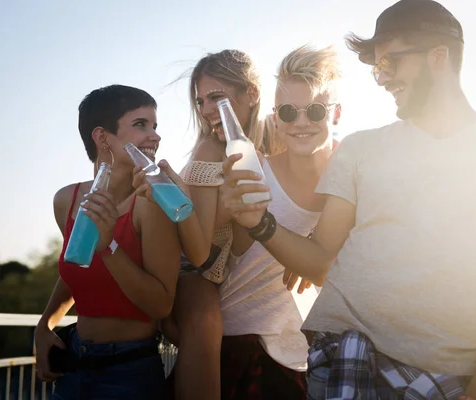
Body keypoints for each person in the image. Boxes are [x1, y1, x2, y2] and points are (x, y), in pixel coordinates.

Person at [220, 1, 476, 399]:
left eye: (389, 64)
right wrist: (260, 223)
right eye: (378, 68)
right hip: (343, 353)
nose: (381, 79)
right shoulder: (360, 149)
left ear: (438, 56)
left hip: (443, 371)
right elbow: (320, 260)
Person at [134, 49, 280, 400]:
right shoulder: (208, 153)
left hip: (234, 273)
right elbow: (199, 254)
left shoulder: (274, 137)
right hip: (193, 268)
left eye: (216, 97)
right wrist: (223, 205)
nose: (206, 110)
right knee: (205, 321)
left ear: (252, 95)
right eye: (200, 101)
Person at [34, 84, 181, 399]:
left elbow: (160, 304)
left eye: (155, 126)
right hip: (73, 368)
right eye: (141, 125)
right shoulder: (67, 200)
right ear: (102, 137)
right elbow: (75, 270)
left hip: (130, 374)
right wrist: (44, 326)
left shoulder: (152, 203)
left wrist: (109, 246)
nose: (155, 135)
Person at [217, 44, 341, 399]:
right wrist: (234, 212)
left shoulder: (352, 173)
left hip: (305, 354)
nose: (301, 122)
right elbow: (237, 253)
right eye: (288, 111)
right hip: (241, 343)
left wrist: (312, 243)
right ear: (275, 118)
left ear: (336, 114)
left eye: (315, 110)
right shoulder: (256, 171)